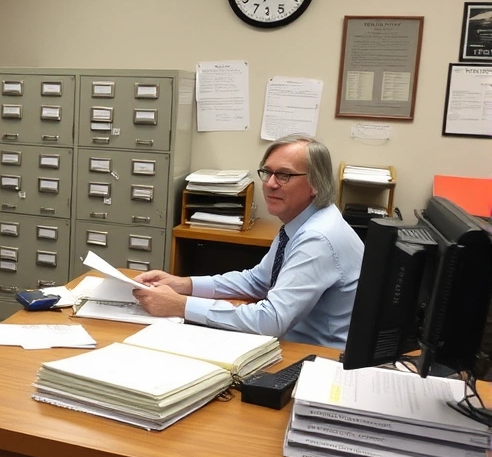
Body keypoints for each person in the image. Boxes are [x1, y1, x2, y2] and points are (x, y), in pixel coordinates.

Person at [133, 134, 363, 349]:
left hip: (315, 358)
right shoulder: (306, 221)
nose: (271, 183)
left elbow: (270, 321)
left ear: (316, 183)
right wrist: (184, 284)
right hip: (293, 342)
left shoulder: (317, 238)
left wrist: (180, 305)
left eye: (284, 175)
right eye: (267, 172)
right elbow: (258, 280)